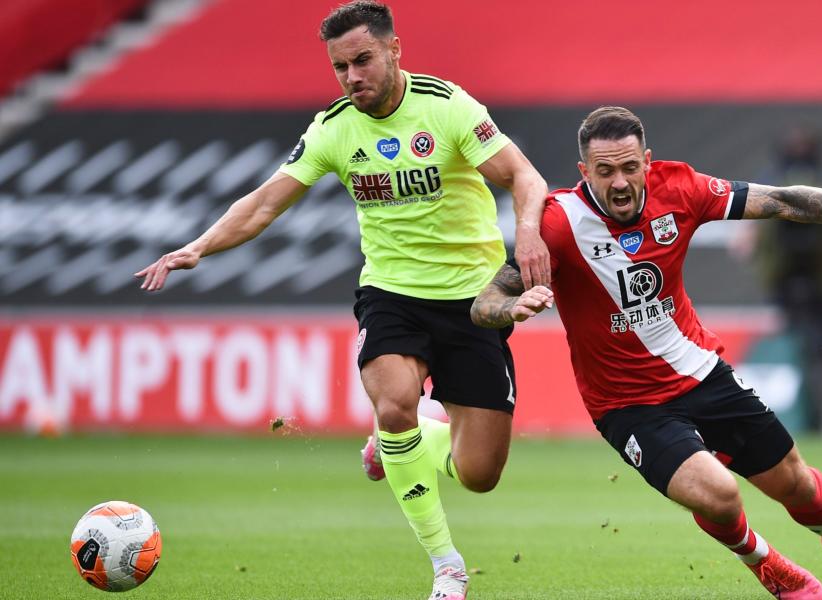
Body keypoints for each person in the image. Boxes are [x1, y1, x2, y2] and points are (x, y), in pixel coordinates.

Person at [135, 2, 550, 598]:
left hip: (474, 299)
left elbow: (525, 177)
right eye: (340, 67)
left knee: (480, 475)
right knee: (392, 406)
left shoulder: (446, 105)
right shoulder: (333, 128)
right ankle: (447, 567)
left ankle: (425, 435)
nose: (353, 76)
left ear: (394, 50)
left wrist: (528, 231)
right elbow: (263, 203)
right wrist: (199, 247)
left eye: (363, 60)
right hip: (391, 295)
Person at [471, 107, 822, 599]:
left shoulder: (680, 188)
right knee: (720, 495)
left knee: (797, 485)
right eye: (604, 172)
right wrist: (513, 306)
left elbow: (781, 201)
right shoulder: (558, 225)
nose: (619, 183)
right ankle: (766, 563)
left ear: (647, 161)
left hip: (702, 372)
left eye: (628, 168)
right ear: (585, 173)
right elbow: (484, 305)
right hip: (628, 406)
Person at [734, 125, 822, 433]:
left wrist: (748, 247)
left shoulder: (770, 180)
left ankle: (791, 410)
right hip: (820, 279)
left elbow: (748, 230)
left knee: (798, 346)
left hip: (789, 279)